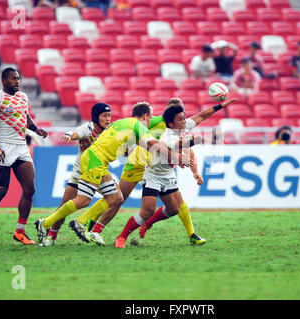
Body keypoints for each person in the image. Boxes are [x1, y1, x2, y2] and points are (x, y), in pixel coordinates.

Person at [71, 98, 237, 246]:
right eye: (177, 114)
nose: (182, 118)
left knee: (177, 204)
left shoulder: (183, 126)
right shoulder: (155, 122)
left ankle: (190, 233)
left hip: (159, 170)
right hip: (137, 163)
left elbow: (201, 116)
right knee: (118, 198)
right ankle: (93, 225)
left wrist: (220, 106)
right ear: (168, 117)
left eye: (182, 114)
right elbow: (133, 130)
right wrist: (126, 148)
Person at [34, 103, 192, 245]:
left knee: (116, 197)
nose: (151, 120)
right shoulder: (138, 125)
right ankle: (46, 223)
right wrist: (176, 157)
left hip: (97, 160)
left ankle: (80, 222)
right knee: (82, 200)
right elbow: (153, 143)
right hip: (95, 160)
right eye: (150, 117)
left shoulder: (123, 123)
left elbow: (135, 145)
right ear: (145, 116)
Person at [0, 67, 48, 247]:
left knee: (30, 189)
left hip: (21, 147)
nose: (17, 82)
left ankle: (20, 232)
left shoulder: (23, 97)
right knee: (1, 190)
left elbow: (26, 117)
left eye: (18, 79)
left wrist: (36, 129)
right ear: (4, 81)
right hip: (4, 147)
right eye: (13, 79)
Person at [40, 103, 112, 246]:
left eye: (109, 115)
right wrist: (69, 135)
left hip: (99, 172)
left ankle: (93, 230)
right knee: (64, 207)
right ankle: (51, 236)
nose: (108, 119)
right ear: (96, 117)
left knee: (116, 198)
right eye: (104, 116)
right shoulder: (88, 128)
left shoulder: (109, 131)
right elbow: (76, 132)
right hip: (80, 173)